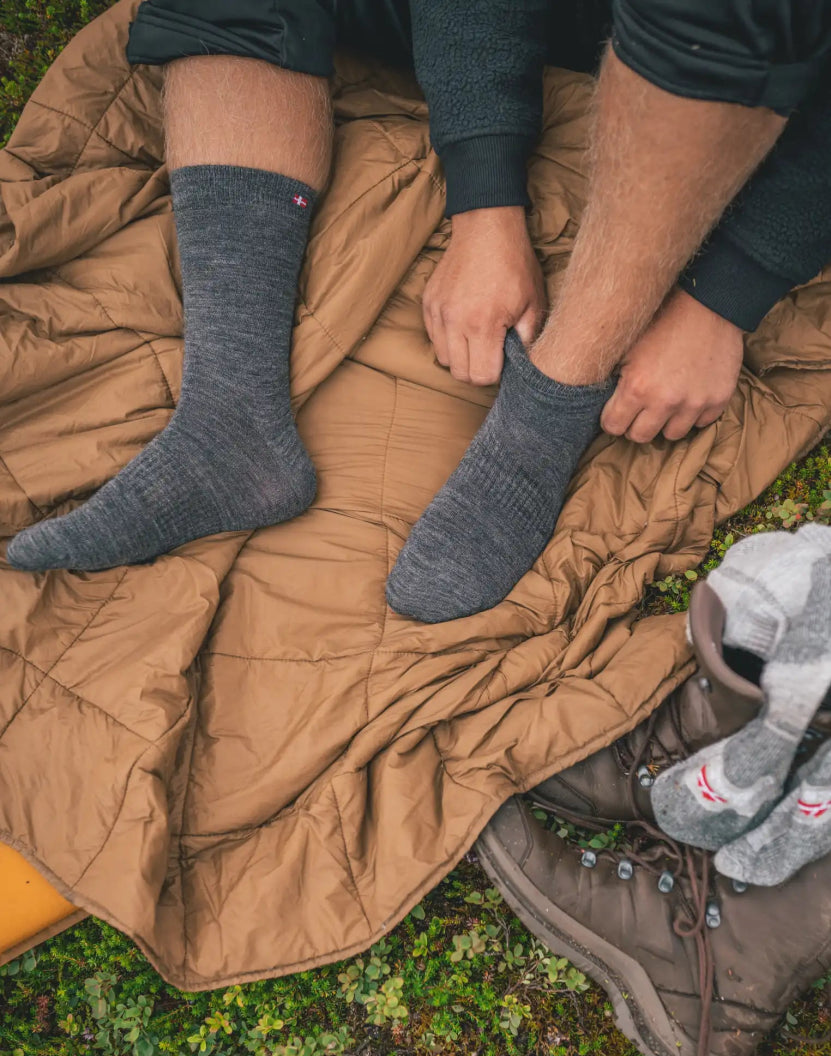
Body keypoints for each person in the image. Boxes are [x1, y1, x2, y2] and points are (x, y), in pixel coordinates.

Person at [7, 2, 831, 626]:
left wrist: (725, 296)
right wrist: (483, 203)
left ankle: (547, 407)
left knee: (721, 20)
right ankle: (228, 419)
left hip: (754, 74)